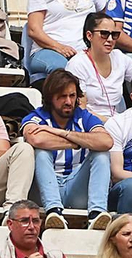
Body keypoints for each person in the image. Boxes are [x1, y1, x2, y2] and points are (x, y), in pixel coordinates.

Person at [22, 70, 113, 231]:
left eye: (72, 96)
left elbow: (106, 142)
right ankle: (53, 211)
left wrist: (63, 133)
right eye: (62, 96)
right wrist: (78, 143)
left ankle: (97, 214)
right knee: (41, 152)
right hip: (42, 191)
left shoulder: (83, 116)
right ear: (50, 98)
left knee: (101, 154)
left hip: (75, 186)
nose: (69, 101)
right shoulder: (36, 116)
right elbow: (37, 139)